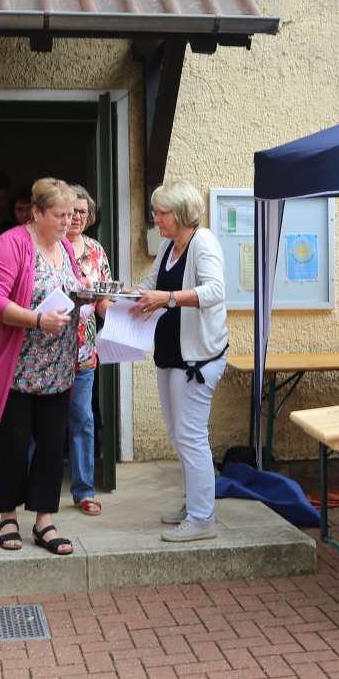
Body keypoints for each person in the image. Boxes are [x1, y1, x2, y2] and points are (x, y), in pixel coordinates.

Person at [0, 178, 82, 555]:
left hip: (57, 368)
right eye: (60, 215)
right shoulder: (12, 244)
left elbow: (72, 289)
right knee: (13, 446)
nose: (68, 222)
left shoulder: (64, 246)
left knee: (52, 446)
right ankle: (7, 517)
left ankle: (44, 521)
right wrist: (36, 319)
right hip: (16, 369)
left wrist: (95, 298)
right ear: (36, 213)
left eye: (71, 215)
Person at [132, 180, 227, 543]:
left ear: (182, 213)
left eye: (161, 212)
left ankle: (203, 518)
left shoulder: (203, 243)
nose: (155, 218)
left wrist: (167, 298)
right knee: (179, 435)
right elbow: (150, 284)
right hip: (171, 355)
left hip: (198, 360)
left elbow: (216, 291)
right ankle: (193, 504)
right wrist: (122, 293)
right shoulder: (170, 245)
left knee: (191, 436)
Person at [65, 183, 112, 515]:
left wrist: (129, 317)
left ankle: (83, 490)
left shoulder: (96, 251)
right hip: (45, 352)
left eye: (83, 212)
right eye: (72, 211)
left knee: (82, 419)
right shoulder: (47, 246)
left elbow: (104, 301)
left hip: (84, 351)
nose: (78, 217)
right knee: (43, 424)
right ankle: (33, 488)